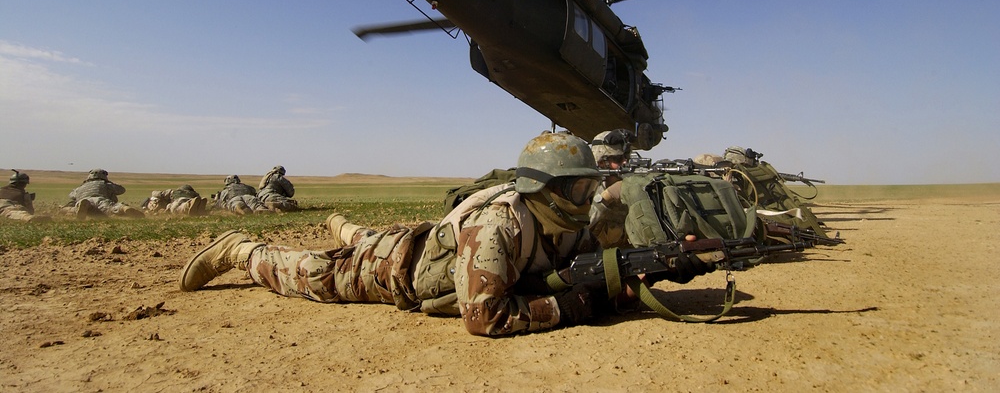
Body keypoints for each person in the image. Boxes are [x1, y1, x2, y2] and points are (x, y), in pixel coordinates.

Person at [179, 131, 711, 336]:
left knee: (362, 236)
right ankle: (242, 250)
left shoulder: (573, 227)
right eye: (576, 190)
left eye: (589, 189)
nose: (586, 200)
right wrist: (569, 309)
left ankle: (344, 225)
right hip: (393, 271)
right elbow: (484, 317)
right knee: (311, 273)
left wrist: (662, 269)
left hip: (426, 244)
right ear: (544, 189)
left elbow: (604, 277)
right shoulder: (499, 226)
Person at [588, 129, 635, 249]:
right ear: (601, 162)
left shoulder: (632, 184)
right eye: (618, 159)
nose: (624, 162)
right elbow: (579, 227)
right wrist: (606, 197)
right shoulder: (587, 189)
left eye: (626, 156)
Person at [63, 169, 143, 218]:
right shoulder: (105, 184)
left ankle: (80, 207)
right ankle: (122, 208)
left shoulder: (81, 187)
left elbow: (71, 195)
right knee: (112, 208)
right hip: (100, 199)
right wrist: (109, 183)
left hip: (84, 199)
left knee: (73, 207)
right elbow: (121, 190)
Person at [141, 185, 209, 215]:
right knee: (180, 205)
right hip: (190, 198)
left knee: (177, 208)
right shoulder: (194, 194)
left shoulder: (172, 193)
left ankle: (188, 205)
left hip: (178, 200)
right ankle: (198, 207)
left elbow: (156, 193)